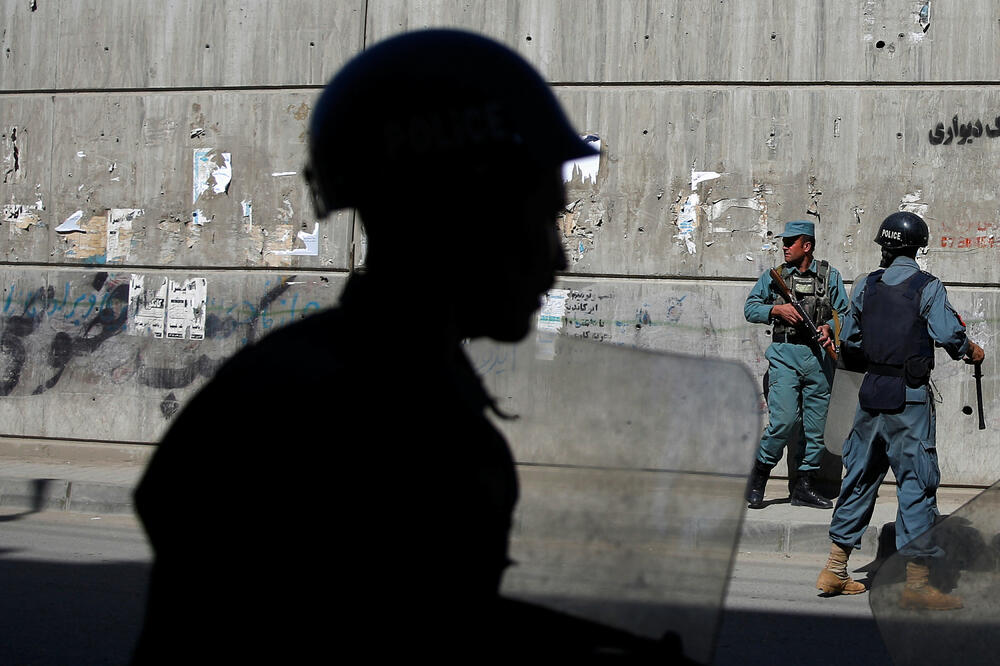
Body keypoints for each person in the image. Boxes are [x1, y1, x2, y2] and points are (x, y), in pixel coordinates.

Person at [132, 30, 691, 662]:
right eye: (540, 219)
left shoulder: (353, 381)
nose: (558, 256)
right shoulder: (365, 419)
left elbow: (423, 614)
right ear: (463, 218)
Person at [815, 211, 984, 608]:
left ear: (884, 246)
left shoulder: (866, 286)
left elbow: (851, 340)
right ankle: (917, 584)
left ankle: (835, 570)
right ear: (917, 246)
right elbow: (947, 334)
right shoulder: (927, 287)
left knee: (858, 478)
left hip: (870, 394)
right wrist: (971, 350)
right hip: (908, 400)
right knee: (916, 483)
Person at [743, 220, 850, 509]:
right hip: (784, 356)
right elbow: (750, 308)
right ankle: (759, 478)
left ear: (808, 246)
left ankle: (803, 487)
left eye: (791, 241)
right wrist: (777, 309)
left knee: (815, 429)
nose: (785, 246)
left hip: (818, 360)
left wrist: (829, 327)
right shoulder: (775, 276)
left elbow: (846, 315)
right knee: (783, 421)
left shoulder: (829, 276)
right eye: (784, 241)